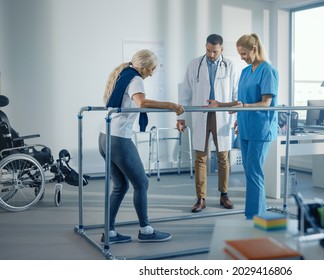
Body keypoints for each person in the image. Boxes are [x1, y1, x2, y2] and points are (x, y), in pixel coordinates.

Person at [99, 49, 184, 244]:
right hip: (119, 139)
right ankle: (146, 230)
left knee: (120, 186)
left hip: (104, 136)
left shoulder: (123, 73)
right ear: (144, 66)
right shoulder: (135, 78)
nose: (152, 73)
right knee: (142, 183)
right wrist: (171, 105)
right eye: (152, 69)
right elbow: (141, 102)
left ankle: (109, 232)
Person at [177, 34, 239, 213]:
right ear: (205, 46)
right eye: (209, 51)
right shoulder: (194, 64)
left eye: (215, 51)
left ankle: (224, 194)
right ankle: (201, 198)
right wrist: (180, 117)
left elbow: (235, 93)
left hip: (222, 116)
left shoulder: (230, 65)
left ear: (222, 49)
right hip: (201, 114)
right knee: (200, 158)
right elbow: (185, 93)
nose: (211, 55)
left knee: (223, 157)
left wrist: (237, 119)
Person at [234, 33, 278, 219]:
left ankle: (255, 216)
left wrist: (244, 107)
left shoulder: (268, 70)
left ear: (254, 49)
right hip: (245, 125)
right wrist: (237, 115)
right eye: (240, 54)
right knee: (249, 170)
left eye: (244, 54)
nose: (242, 58)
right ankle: (254, 214)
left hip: (260, 127)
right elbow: (242, 101)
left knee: (254, 172)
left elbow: (266, 102)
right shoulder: (245, 72)